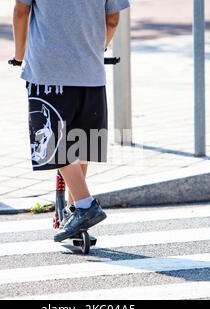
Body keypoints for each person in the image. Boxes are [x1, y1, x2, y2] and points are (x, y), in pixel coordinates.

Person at [12, 0, 130, 242]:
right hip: (91, 74)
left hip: (48, 73)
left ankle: (85, 206)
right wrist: (99, 48)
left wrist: (19, 55)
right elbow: (113, 20)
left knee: (52, 144)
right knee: (82, 144)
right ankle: (73, 212)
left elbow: (21, 11)